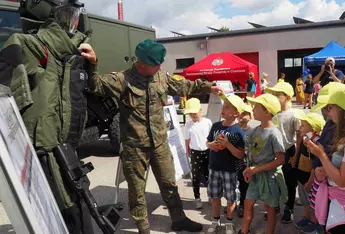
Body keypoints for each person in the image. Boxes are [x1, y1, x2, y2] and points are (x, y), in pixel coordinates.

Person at [80, 39, 223, 233]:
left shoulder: (161, 77)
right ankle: (143, 229)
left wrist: (209, 87)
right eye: (156, 63)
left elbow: (184, 87)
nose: (160, 66)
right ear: (142, 63)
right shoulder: (123, 79)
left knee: (169, 183)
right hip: (135, 147)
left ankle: (179, 219)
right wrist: (93, 63)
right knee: (136, 192)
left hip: (160, 144)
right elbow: (96, 85)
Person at [0, 1, 105, 233]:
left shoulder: (79, 51)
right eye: (67, 15)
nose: (73, 22)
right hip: (43, 146)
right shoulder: (27, 45)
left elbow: (94, 91)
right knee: (65, 209)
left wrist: (93, 65)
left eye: (75, 15)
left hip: (68, 144)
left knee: (75, 206)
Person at [306, 85, 345, 233]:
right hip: (340, 202)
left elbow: (343, 181)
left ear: (342, 111)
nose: (328, 111)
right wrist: (325, 170)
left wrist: (321, 155)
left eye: (331, 107)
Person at [239, 94, 287, 234]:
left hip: (269, 178)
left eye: (256, 108)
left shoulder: (274, 134)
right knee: (248, 203)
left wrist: (257, 169)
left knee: (270, 207)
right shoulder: (255, 130)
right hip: (254, 176)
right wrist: (248, 169)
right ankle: (244, 230)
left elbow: (280, 160)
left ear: (267, 112)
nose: (252, 110)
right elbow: (250, 152)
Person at [206, 94, 246, 234]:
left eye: (228, 107)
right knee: (215, 196)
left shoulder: (238, 131)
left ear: (236, 113)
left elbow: (241, 154)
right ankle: (215, 220)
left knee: (231, 198)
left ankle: (229, 222)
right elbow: (208, 142)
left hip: (230, 170)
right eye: (224, 106)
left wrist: (227, 144)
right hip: (214, 168)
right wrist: (212, 145)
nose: (224, 108)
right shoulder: (215, 125)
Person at [265, 82, 301, 224]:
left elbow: (298, 137)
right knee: (274, 180)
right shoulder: (273, 115)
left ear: (286, 97)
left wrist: (296, 155)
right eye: (273, 95)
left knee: (289, 182)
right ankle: (275, 206)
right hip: (274, 152)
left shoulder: (293, 115)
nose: (274, 97)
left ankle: (289, 208)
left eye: (277, 95)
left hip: (289, 151)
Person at [293, 112, 325, 234]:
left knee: (313, 202)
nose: (300, 128)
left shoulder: (316, 143)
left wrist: (311, 180)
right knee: (305, 200)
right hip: (302, 176)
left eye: (303, 125)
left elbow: (315, 163)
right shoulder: (307, 139)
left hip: (309, 178)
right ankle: (308, 219)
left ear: (312, 128)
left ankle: (315, 223)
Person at [184, 98, 212, 209]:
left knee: (208, 175)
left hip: (207, 151)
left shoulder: (207, 122)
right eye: (191, 114)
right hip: (195, 152)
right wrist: (187, 148)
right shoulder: (188, 125)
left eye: (195, 113)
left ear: (200, 110)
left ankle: (210, 195)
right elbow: (187, 138)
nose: (193, 115)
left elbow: (211, 136)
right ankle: (197, 198)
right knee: (195, 176)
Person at [236, 104, 253, 218]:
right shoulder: (233, 128)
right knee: (232, 184)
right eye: (240, 113)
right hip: (233, 161)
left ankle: (243, 204)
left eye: (245, 113)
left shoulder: (252, 132)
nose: (241, 116)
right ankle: (231, 205)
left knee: (243, 185)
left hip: (246, 162)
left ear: (250, 117)